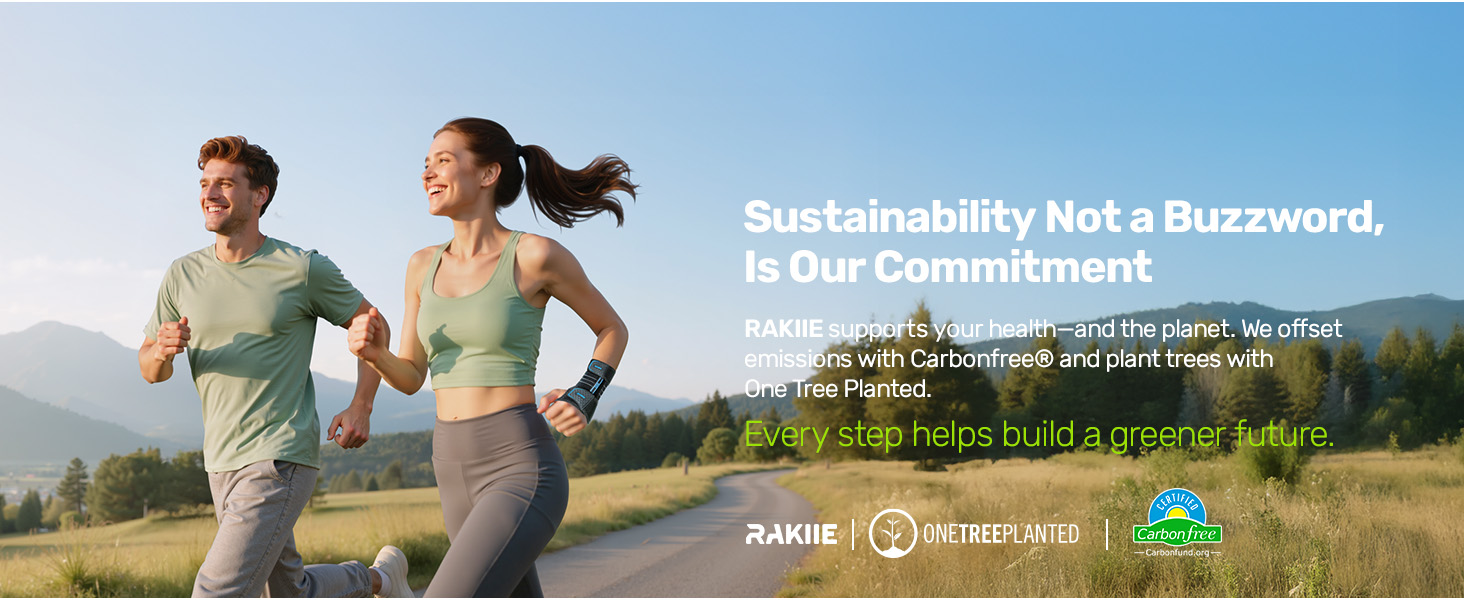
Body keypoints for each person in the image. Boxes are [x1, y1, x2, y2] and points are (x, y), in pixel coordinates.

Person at [347, 117, 634, 597]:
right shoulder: (421, 265)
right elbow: (413, 374)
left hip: (520, 464)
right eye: (425, 163)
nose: (427, 173)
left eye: (443, 160)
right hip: (450, 463)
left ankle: (397, 587)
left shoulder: (534, 256)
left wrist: (587, 392)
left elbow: (612, 328)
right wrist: (376, 355)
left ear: (487, 174)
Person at [139, 136, 414, 598]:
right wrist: (163, 352)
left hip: (279, 453)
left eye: (225, 184)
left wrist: (360, 404)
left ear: (259, 195)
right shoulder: (181, 274)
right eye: (205, 183)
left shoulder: (301, 268)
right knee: (289, 590)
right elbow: (150, 368)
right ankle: (380, 579)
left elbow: (372, 324)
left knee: (216, 590)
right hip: (220, 459)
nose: (209, 194)